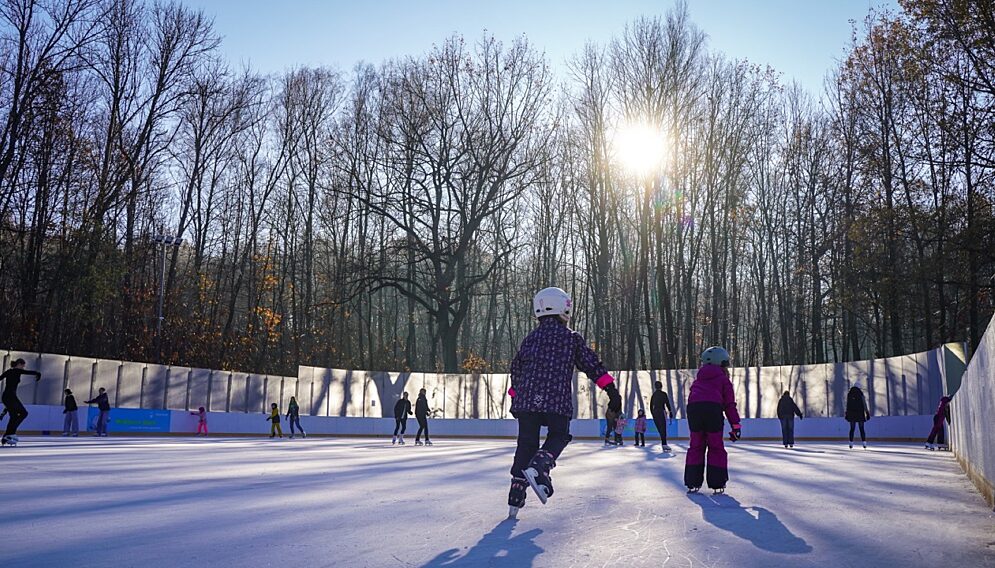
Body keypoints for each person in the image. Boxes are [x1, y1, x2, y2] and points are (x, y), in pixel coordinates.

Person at [507, 286, 622, 518]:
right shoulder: (570, 338)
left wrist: (515, 398)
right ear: (562, 309)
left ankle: (516, 492)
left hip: (527, 401)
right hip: (555, 398)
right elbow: (591, 365)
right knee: (559, 435)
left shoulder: (530, 339)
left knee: (526, 443)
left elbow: (516, 371)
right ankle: (540, 466)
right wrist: (611, 390)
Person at [684, 346, 741, 495]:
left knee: (696, 445)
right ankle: (717, 482)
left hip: (694, 410)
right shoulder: (723, 380)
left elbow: (692, 399)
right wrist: (735, 425)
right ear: (721, 364)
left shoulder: (698, 381)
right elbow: (729, 405)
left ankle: (692, 482)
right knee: (715, 446)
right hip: (712, 410)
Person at [1, 358, 41, 446]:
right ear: (19, 364)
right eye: (23, 365)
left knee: (14, 416)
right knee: (24, 413)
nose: (23, 367)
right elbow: (28, 372)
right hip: (11, 396)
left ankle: (6, 436)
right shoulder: (17, 371)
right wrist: (38, 373)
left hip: (6, 397)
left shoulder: (8, 371)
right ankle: (10, 433)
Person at [650, 381, 675, 452]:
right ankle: (664, 444)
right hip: (661, 411)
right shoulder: (663, 394)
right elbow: (667, 403)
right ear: (661, 386)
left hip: (655, 412)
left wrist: (653, 413)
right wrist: (670, 411)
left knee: (660, 429)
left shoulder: (654, 395)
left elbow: (651, 406)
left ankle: (663, 443)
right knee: (663, 428)